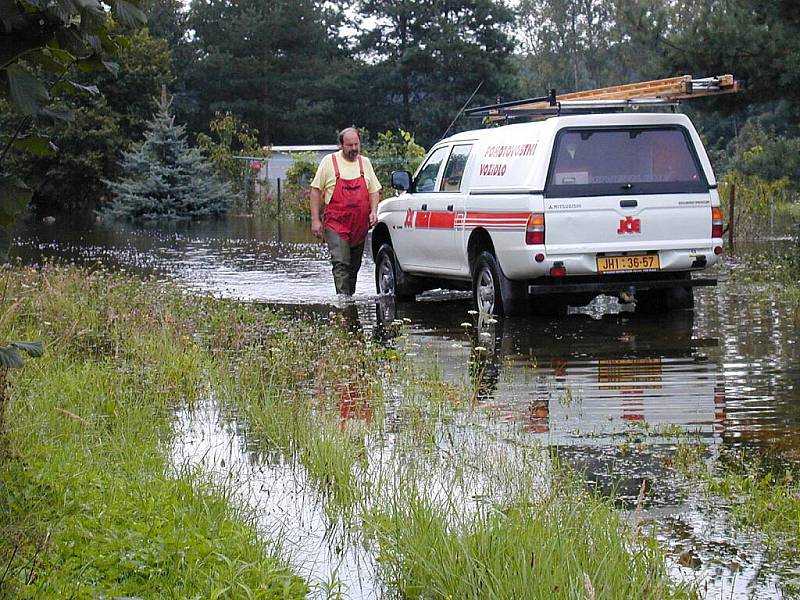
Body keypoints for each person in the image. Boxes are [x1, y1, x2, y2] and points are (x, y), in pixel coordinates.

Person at [310, 127, 382, 295]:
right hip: (336, 223)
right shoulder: (329, 162)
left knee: (354, 267)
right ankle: (343, 304)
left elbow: (374, 191)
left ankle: (350, 302)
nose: (354, 149)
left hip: (359, 225)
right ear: (341, 145)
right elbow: (315, 191)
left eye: (356, 144)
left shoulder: (365, 163)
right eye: (349, 145)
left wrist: (373, 212)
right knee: (341, 263)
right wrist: (315, 220)